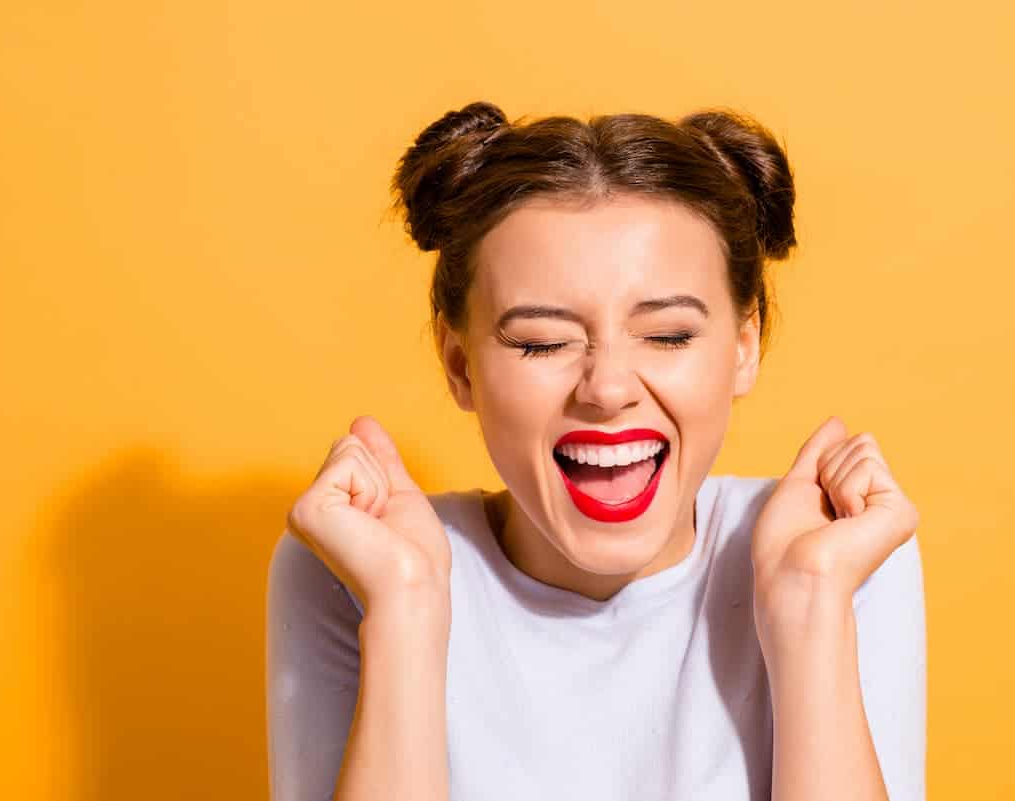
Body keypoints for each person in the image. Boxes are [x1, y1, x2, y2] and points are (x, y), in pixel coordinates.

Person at [265, 101, 926, 801]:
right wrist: (405, 611)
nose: (607, 388)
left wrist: (810, 605)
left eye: (668, 335)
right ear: (460, 366)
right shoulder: (359, 567)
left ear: (744, 346)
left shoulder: (836, 550)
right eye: (541, 342)